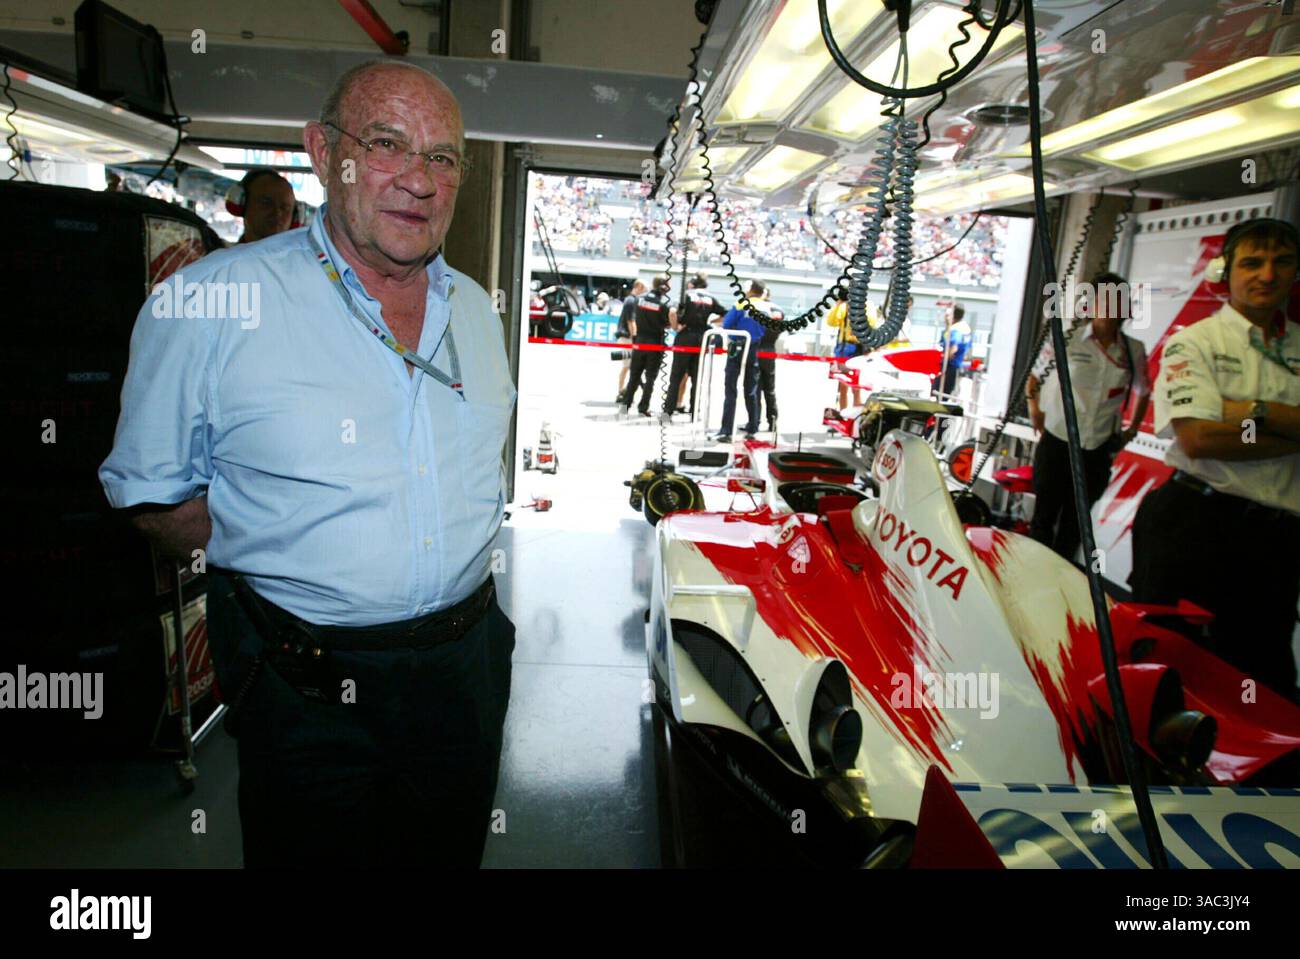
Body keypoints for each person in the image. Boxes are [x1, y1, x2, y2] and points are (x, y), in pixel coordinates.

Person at [99, 59, 518, 868]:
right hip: (305, 686)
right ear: (324, 153)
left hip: (463, 675)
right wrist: (279, 544)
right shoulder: (211, 303)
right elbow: (151, 493)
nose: (420, 181)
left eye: (443, 157)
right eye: (389, 144)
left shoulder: (474, 305)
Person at [1130, 218, 1300, 699]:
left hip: (1276, 540)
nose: (1267, 274)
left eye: (1281, 261)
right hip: (1195, 525)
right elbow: (1200, 439)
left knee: (1264, 682)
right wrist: (1287, 423)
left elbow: (1221, 430)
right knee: (1167, 678)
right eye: (1252, 262)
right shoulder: (1196, 342)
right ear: (1226, 270)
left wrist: (1251, 412)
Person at [1025, 271, 1151, 561]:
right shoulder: (1067, 338)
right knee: (1044, 519)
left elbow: (1143, 389)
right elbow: (1034, 378)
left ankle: (1062, 586)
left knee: (1076, 524)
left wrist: (1130, 432)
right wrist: (1035, 409)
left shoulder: (1133, 350)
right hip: (1058, 441)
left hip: (1097, 449)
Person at [714, 280, 771, 441]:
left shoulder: (741, 303)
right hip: (755, 348)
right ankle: (753, 427)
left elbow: (727, 324)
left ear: (751, 289)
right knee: (751, 389)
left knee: (731, 388)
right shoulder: (766, 307)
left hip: (738, 348)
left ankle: (726, 429)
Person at [664, 272, 726, 418]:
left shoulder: (686, 294)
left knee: (676, 376)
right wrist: (712, 322)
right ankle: (694, 413)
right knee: (697, 377)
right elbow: (726, 314)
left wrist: (676, 327)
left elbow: (672, 312)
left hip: (685, 336)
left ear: (692, 284)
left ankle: (668, 412)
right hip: (702, 338)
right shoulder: (711, 298)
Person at [619, 273, 672, 416]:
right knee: (650, 378)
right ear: (664, 286)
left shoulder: (639, 300)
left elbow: (634, 318)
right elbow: (667, 324)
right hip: (655, 344)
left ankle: (625, 406)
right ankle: (643, 407)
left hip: (639, 342)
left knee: (634, 376)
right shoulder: (663, 304)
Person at [230, 168, 297, 244]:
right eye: (266, 203)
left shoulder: (303, 255)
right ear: (242, 205)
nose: (277, 213)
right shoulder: (224, 256)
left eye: (285, 207)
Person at [756, 299, 785, 431]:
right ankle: (772, 421)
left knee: (754, 388)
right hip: (770, 349)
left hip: (757, 348)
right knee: (770, 389)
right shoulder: (779, 311)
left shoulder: (760, 309)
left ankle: (755, 421)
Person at [615, 279, 646, 399]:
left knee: (629, 366)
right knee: (628, 365)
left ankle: (624, 390)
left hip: (626, 337)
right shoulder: (632, 301)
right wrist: (635, 338)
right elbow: (631, 321)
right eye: (644, 289)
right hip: (627, 337)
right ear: (639, 286)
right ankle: (622, 391)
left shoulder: (630, 300)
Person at [937, 302, 972, 397]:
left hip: (949, 366)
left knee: (940, 393)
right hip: (957, 365)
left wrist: (944, 359)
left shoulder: (956, 330)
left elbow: (954, 347)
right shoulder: (965, 328)